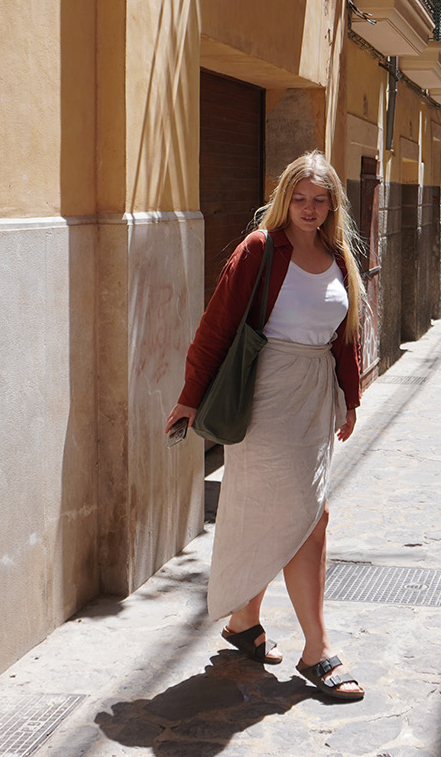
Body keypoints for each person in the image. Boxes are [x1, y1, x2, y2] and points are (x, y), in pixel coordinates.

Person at [163, 152, 366, 702]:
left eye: (319, 200)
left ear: (332, 205)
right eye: (300, 198)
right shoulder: (259, 249)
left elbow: (346, 334)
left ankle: (244, 621)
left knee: (288, 513)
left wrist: (350, 398)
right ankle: (316, 649)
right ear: (285, 199)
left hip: (315, 398)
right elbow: (216, 327)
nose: (309, 208)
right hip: (268, 397)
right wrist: (188, 398)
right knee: (307, 516)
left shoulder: (337, 254)